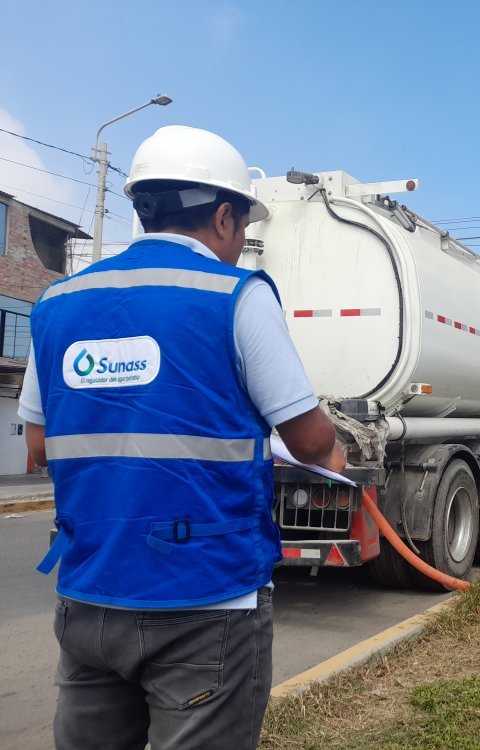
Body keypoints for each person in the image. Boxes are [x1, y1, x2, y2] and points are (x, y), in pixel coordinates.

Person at [18, 125, 346, 750]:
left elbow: (38, 445)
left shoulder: (56, 303)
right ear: (224, 216)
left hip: (88, 597)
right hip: (205, 603)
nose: (243, 240)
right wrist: (334, 452)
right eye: (245, 225)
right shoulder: (236, 297)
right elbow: (307, 440)